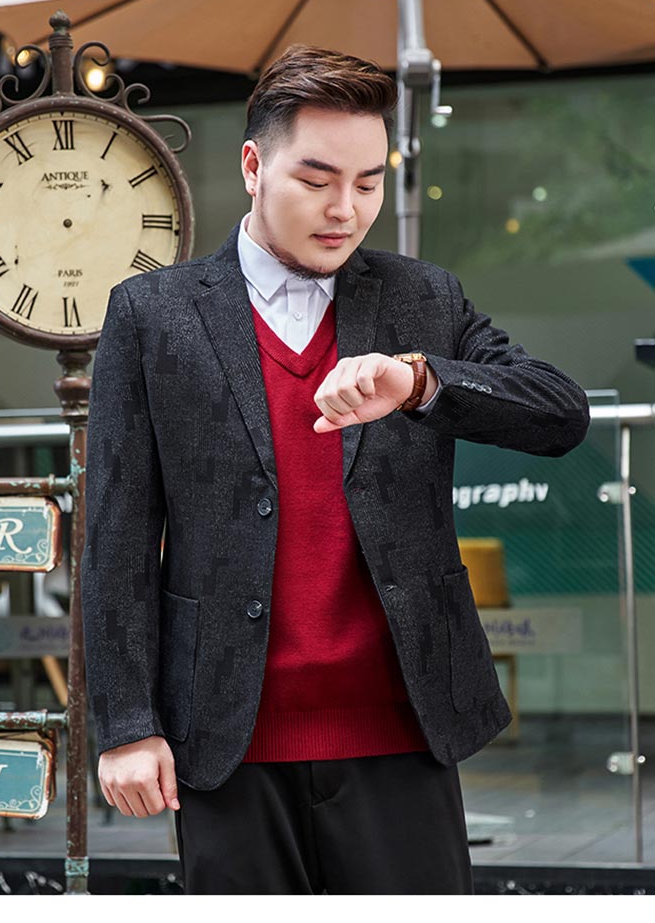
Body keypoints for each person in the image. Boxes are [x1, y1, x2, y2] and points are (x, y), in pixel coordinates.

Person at [80, 44, 590, 895]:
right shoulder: (154, 315)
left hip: (403, 725)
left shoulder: (423, 299)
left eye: (368, 183)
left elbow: (559, 412)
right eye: (316, 180)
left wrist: (420, 382)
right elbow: (117, 536)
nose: (345, 210)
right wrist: (127, 722)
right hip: (226, 733)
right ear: (253, 167)